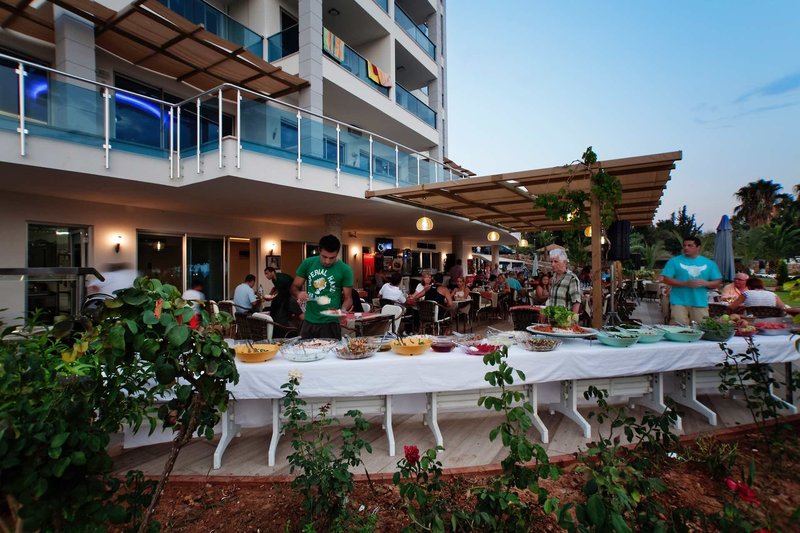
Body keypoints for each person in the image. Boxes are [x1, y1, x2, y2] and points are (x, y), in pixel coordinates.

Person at [292, 234, 354, 339]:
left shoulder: (345, 270)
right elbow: (294, 287)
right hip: (309, 320)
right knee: (304, 348)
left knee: (331, 350)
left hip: (331, 323)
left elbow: (348, 298)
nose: (327, 261)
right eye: (324, 257)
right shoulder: (308, 263)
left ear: (337, 253)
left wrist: (342, 310)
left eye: (332, 258)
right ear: (319, 250)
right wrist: (298, 293)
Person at [660, 236, 722, 325]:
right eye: (684, 245)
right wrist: (685, 283)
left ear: (698, 247)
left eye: (690, 245)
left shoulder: (709, 263)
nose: (686, 248)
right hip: (678, 301)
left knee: (701, 327)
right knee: (679, 327)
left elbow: (718, 282)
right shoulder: (674, 261)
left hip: (700, 301)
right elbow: (666, 279)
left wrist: (706, 283)